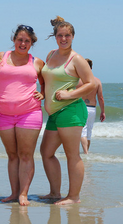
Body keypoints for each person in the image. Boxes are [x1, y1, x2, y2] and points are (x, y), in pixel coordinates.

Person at [0, 25, 45, 206]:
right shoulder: (0, 57)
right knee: (12, 155)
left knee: (26, 155)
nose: (23, 43)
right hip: (3, 114)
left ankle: (23, 194)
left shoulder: (37, 62)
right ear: (14, 40)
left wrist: (44, 93)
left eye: (27, 40)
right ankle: (14, 193)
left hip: (30, 113)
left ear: (32, 43)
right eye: (20, 39)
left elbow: (46, 80)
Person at [40, 16, 96, 205]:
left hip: (71, 110)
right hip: (54, 114)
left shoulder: (77, 59)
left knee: (72, 154)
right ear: (55, 36)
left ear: (73, 37)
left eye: (68, 35)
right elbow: (47, 80)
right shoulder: (50, 55)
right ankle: (55, 193)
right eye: (60, 35)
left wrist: (69, 94)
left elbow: (91, 83)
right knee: (46, 152)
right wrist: (42, 94)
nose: (64, 38)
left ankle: (73, 197)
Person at [77, 58, 106, 154]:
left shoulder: (78, 81)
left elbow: (71, 94)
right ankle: (86, 152)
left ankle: (86, 152)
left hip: (81, 107)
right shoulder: (97, 81)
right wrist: (103, 111)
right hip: (92, 109)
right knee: (89, 132)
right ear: (91, 68)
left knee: (83, 131)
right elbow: (100, 98)